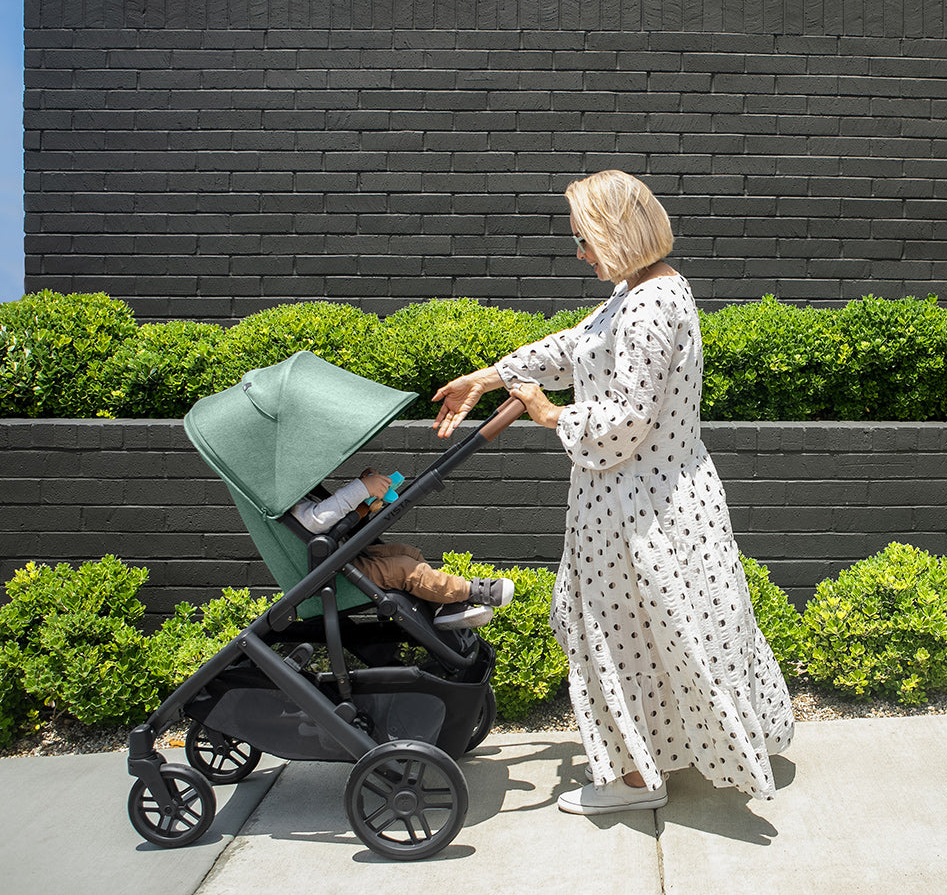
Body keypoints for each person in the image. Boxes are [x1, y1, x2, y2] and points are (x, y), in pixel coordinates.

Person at [432, 170, 794, 815]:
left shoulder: (652, 303)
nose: (579, 254)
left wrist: (548, 414)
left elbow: (626, 422)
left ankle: (634, 782)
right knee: (666, 633)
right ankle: (663, 757)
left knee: (621, 635)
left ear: (618, 235)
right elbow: (577, 347)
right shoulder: (642, 290)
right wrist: (492, 377)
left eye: (585, 240)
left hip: (639, 509)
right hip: (643, 501)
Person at [290, 470, 515, 629]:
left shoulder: (294, 491)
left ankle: (441, 606)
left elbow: (329, 517)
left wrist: (363, 504)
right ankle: (471, 590)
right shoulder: (286, 500)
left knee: (408, 553)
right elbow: (316, 521)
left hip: (338, 561)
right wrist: (361, 488)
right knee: (404, 569)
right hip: (331, 576)